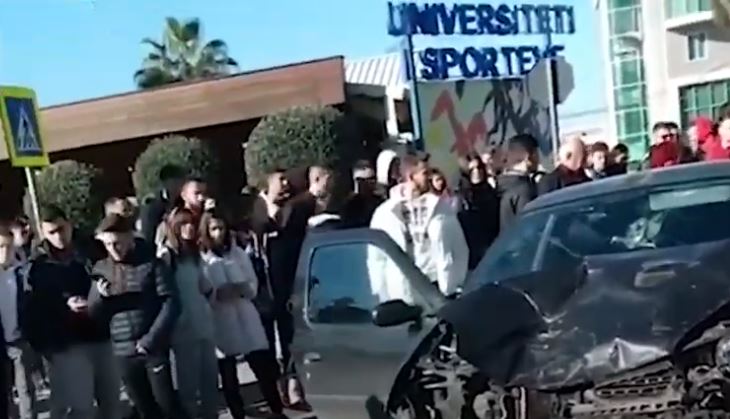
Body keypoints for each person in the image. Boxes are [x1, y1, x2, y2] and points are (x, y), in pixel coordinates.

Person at [22, 205, 121, 419]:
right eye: (52, 232)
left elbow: (108, 274)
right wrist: (64, 304)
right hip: (68, 342)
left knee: (112, 400)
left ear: (69, 224)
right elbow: (38, 306)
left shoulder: (89, 250)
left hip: (100, 333)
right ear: (43, 233)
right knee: (81, 406)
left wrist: (97, 294)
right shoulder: (38, 265)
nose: (59, 236)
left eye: (61, 229)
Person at [89, 214, 188, 419]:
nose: (113, 249)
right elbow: (94, 314)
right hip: (123, 351)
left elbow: (171, 303)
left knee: (167, 405)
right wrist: (99, 297)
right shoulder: (101, 269)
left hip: (152, 347)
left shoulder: (152, 265)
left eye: (117, 243)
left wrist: (151, 340)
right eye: (108, 244)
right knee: (144, 408)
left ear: (129, 238)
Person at [199, 212, 288, 419]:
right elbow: (204, 290)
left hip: (245, 314)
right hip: (221, 318)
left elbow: (252, 284)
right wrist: (216, 294)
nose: (218, 233)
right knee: (229, 374)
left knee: (262, 366)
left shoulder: (237, 253)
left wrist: (242, 288)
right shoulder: (203, 259)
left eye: (221, 228)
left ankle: (276, 409)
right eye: (213, 229)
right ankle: (237, 413)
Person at [370, 154, 469, 301]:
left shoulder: (440, 207)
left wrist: (454, 283)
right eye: (425, 173)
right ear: (411, 176)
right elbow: (377, 259)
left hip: (437, 287)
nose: (429, 178)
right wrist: (382, 296)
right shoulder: (385, 213)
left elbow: (459, 247)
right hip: (403, 292)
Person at [252, 169, 311, 411]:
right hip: (262, 289)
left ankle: (294, 385)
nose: (286, 184)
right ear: (267, 184)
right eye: (280, 180)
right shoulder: (255, 209)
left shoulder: (292, 207)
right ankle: (275, 390)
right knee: (266, 343)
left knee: (290, 337)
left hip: (286, 284)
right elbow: (258, 229)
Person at [159, 209, 218, 419]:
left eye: (192, 223)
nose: (189, 228)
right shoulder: (167, 255)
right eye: (183, 224)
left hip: (202, 321)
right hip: (182, 328)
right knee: (188, 383)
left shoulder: (193, 254)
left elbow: (205, 286)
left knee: (210, 378)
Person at [0, 222, 37, 419]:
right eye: (0, 247)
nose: (4, 252)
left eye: (8, 246)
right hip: (1, 342)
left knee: (26, 390)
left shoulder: (21, 273)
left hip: (18, 339)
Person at [457, 155, 500, 270]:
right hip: (474, 249)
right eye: (472, 169)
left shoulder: (490, 190)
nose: (477, 172)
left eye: (479, 168)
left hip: (493, 243)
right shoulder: (463, 196)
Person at [497, 134, 541, 230]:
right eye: (537, 154)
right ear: (528, 157)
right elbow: (530, 227)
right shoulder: (525, 189)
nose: (539, 160)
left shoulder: (500, 186)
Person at [140, 165, 185, 244]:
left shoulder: (183, 202)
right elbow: (148, 234)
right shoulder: (153, 205)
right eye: (175, 182)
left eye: (181, 182)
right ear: (165, 182)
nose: (179, 185)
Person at [341, 160, 383, 228]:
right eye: (361, 180)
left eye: (371, 179)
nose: (367, 183)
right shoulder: (348, 206)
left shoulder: (382, 204)